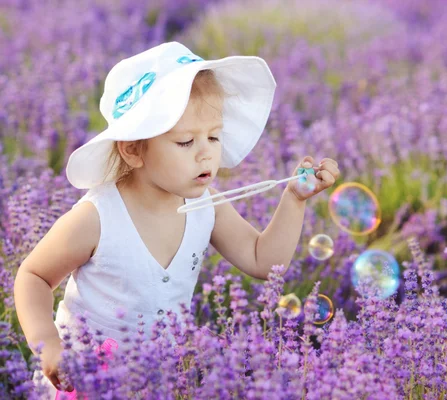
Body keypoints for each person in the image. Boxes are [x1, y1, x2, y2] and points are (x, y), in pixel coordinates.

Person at [13, 41, 339, 397]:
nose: (206, 153)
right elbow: (34, 276)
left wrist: (293, 199)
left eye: (214, 137)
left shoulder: (207, 206)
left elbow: (264, 261)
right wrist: (48, 346)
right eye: (185, 142)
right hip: (85, 380)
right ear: (134, 149)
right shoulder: (98, 218)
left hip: (161, 380)